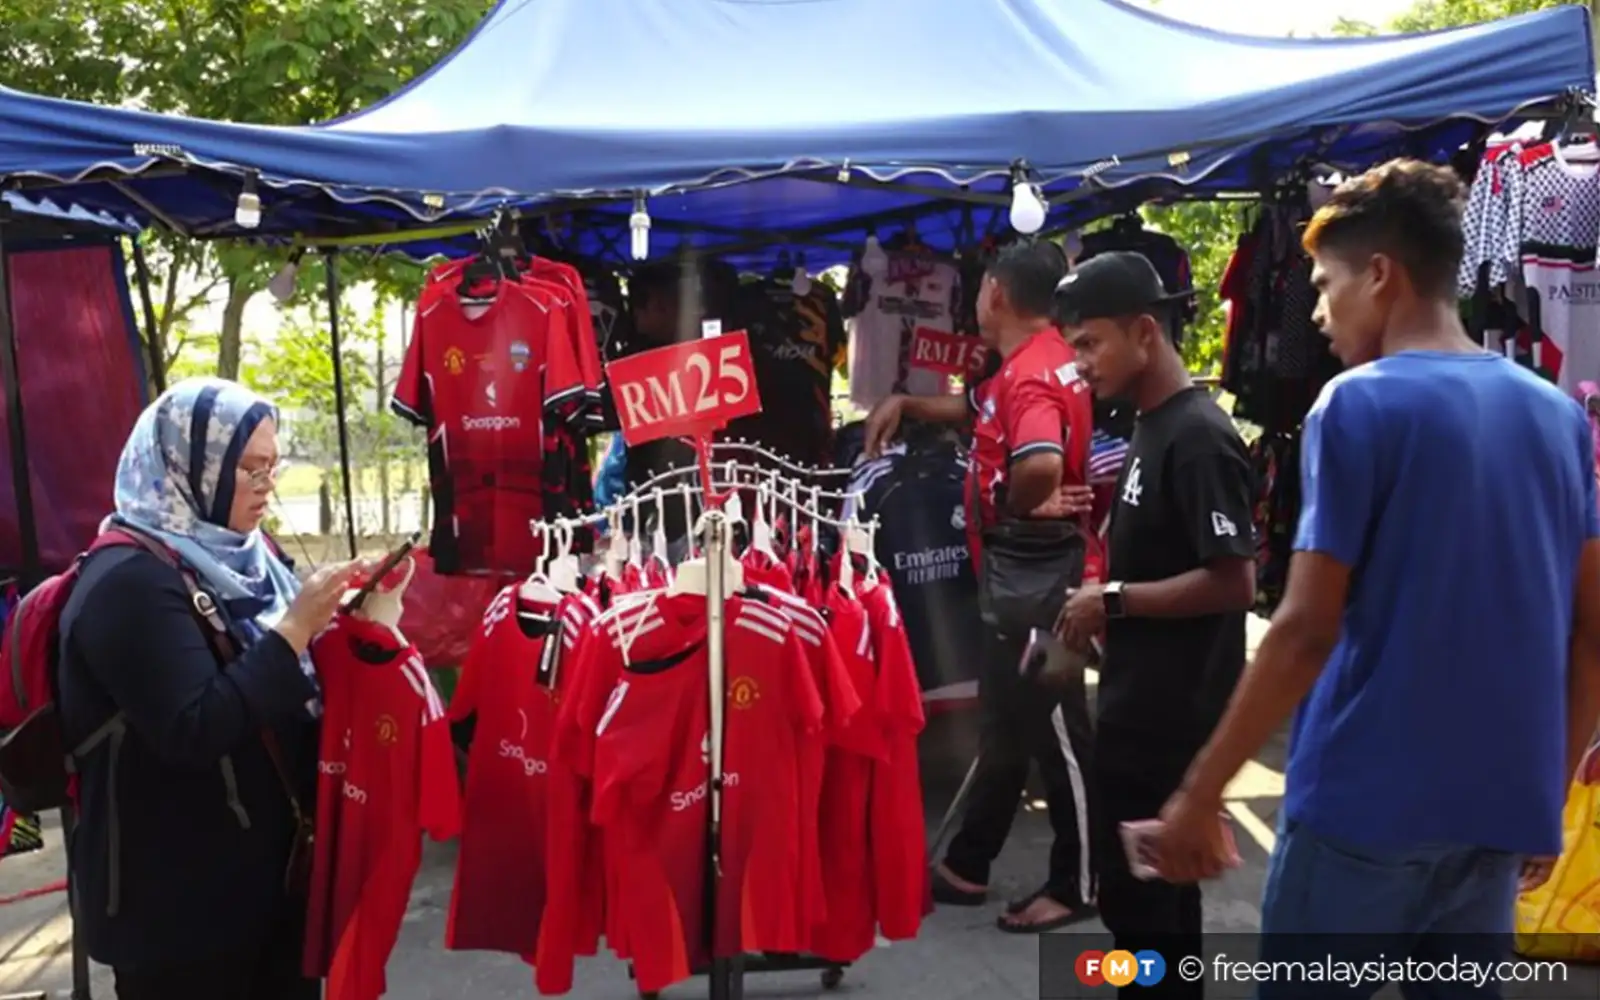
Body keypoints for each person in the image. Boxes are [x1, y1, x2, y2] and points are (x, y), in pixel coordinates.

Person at [1153, 160, 1600, 988]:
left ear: (1382, 275)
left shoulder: (1357, 404)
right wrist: (1545, 797)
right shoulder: (1558, 416)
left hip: (1364, 809)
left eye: (1326, 286)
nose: (1317, 313)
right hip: (1498, 809)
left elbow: (1304, 630)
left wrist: (1201, 791)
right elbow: (1591, 635)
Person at [57, 378, 367, 1000]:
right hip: (179, 916)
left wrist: (354, 619)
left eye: (273, 465)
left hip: (271, 887)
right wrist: (296, 628)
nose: (266, 484)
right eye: (248, 468)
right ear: (187, 465)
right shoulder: (129, 582)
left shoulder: (251, 556)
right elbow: (194, 726)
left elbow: (294, 679)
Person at [864, 238, 1098, 933]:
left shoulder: (1030, 378)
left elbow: (1039, 462)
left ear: (995, 291)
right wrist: (907, 402)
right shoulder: (1035, 363)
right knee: (1006, 723)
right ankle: (970, 861)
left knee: (1057, 731)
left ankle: (1083, 880)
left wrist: (1008, 500)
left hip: (1040, 580)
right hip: (1024, 577)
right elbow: (976, 409)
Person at [1054, 251, 1256, 993]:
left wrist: (1113, 600)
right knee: (1152, 910)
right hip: (1140, 711)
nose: (1080, 363)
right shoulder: (1150, 424)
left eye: (1090, 343)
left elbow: (1234, 580)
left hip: (1168, 727)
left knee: (1146, 915)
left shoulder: (1197, 436)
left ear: (1145, 331)